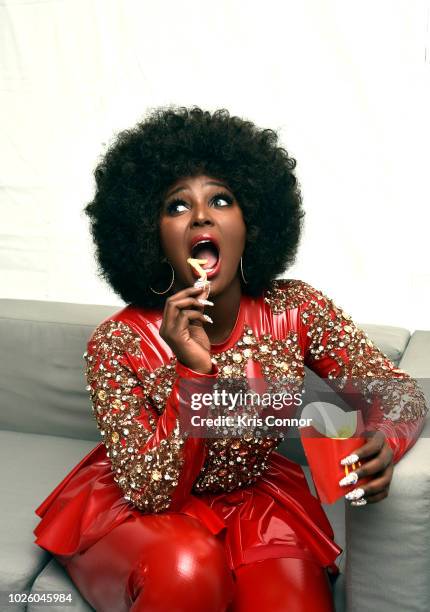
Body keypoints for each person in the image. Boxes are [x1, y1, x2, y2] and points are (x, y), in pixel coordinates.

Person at [33, 107, 427, 612]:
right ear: (151, 234)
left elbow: (394, 388)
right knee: (189, 571)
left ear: (251, 223)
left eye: (221, 199)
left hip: (258, 501)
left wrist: (385, 441)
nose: (201, 215)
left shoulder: (296, 309)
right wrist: (192, 372)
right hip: (146, 508)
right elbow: (152, 492)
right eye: (177, 206)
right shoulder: (118, 341)